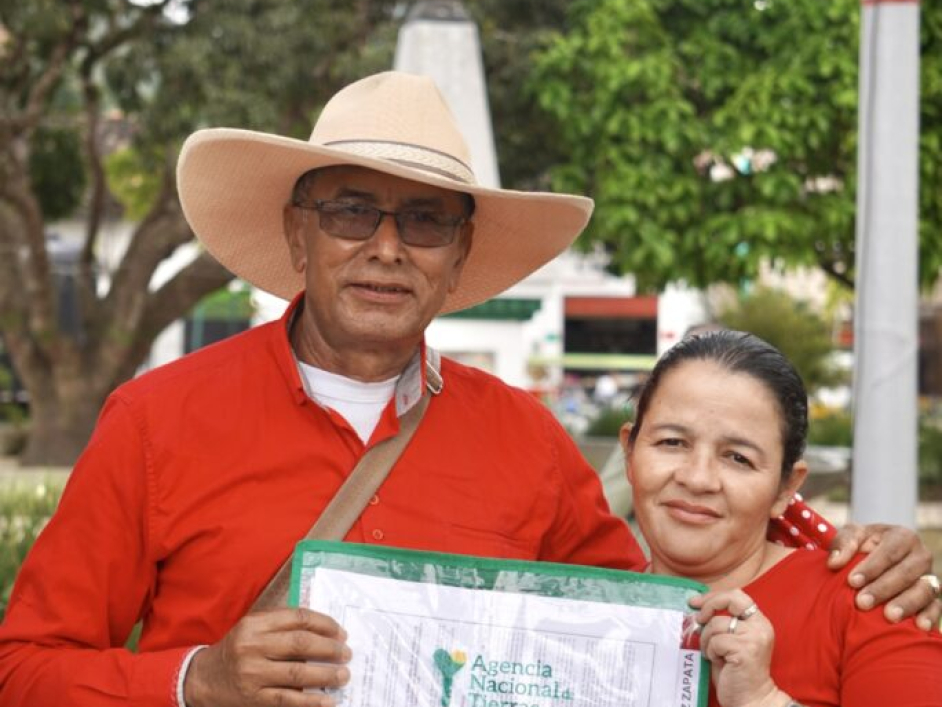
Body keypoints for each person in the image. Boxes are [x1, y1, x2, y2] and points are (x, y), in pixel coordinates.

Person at [0, 71, 935, 707]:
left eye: (425, 221)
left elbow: (645, 625)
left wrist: (846, 551)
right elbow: (23, 668)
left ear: (458, 259)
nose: (387, 247)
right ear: (297, 234)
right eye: (351, 210)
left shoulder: (526, 439)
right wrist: (194, 681)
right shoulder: (158, 419)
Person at [621, 330, 942, 707]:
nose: (697, 478)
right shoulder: (586, 611)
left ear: (785, 489)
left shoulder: (870, 599)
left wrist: (764, 699)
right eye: (672, 442)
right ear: (629, 452)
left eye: (738, 458)